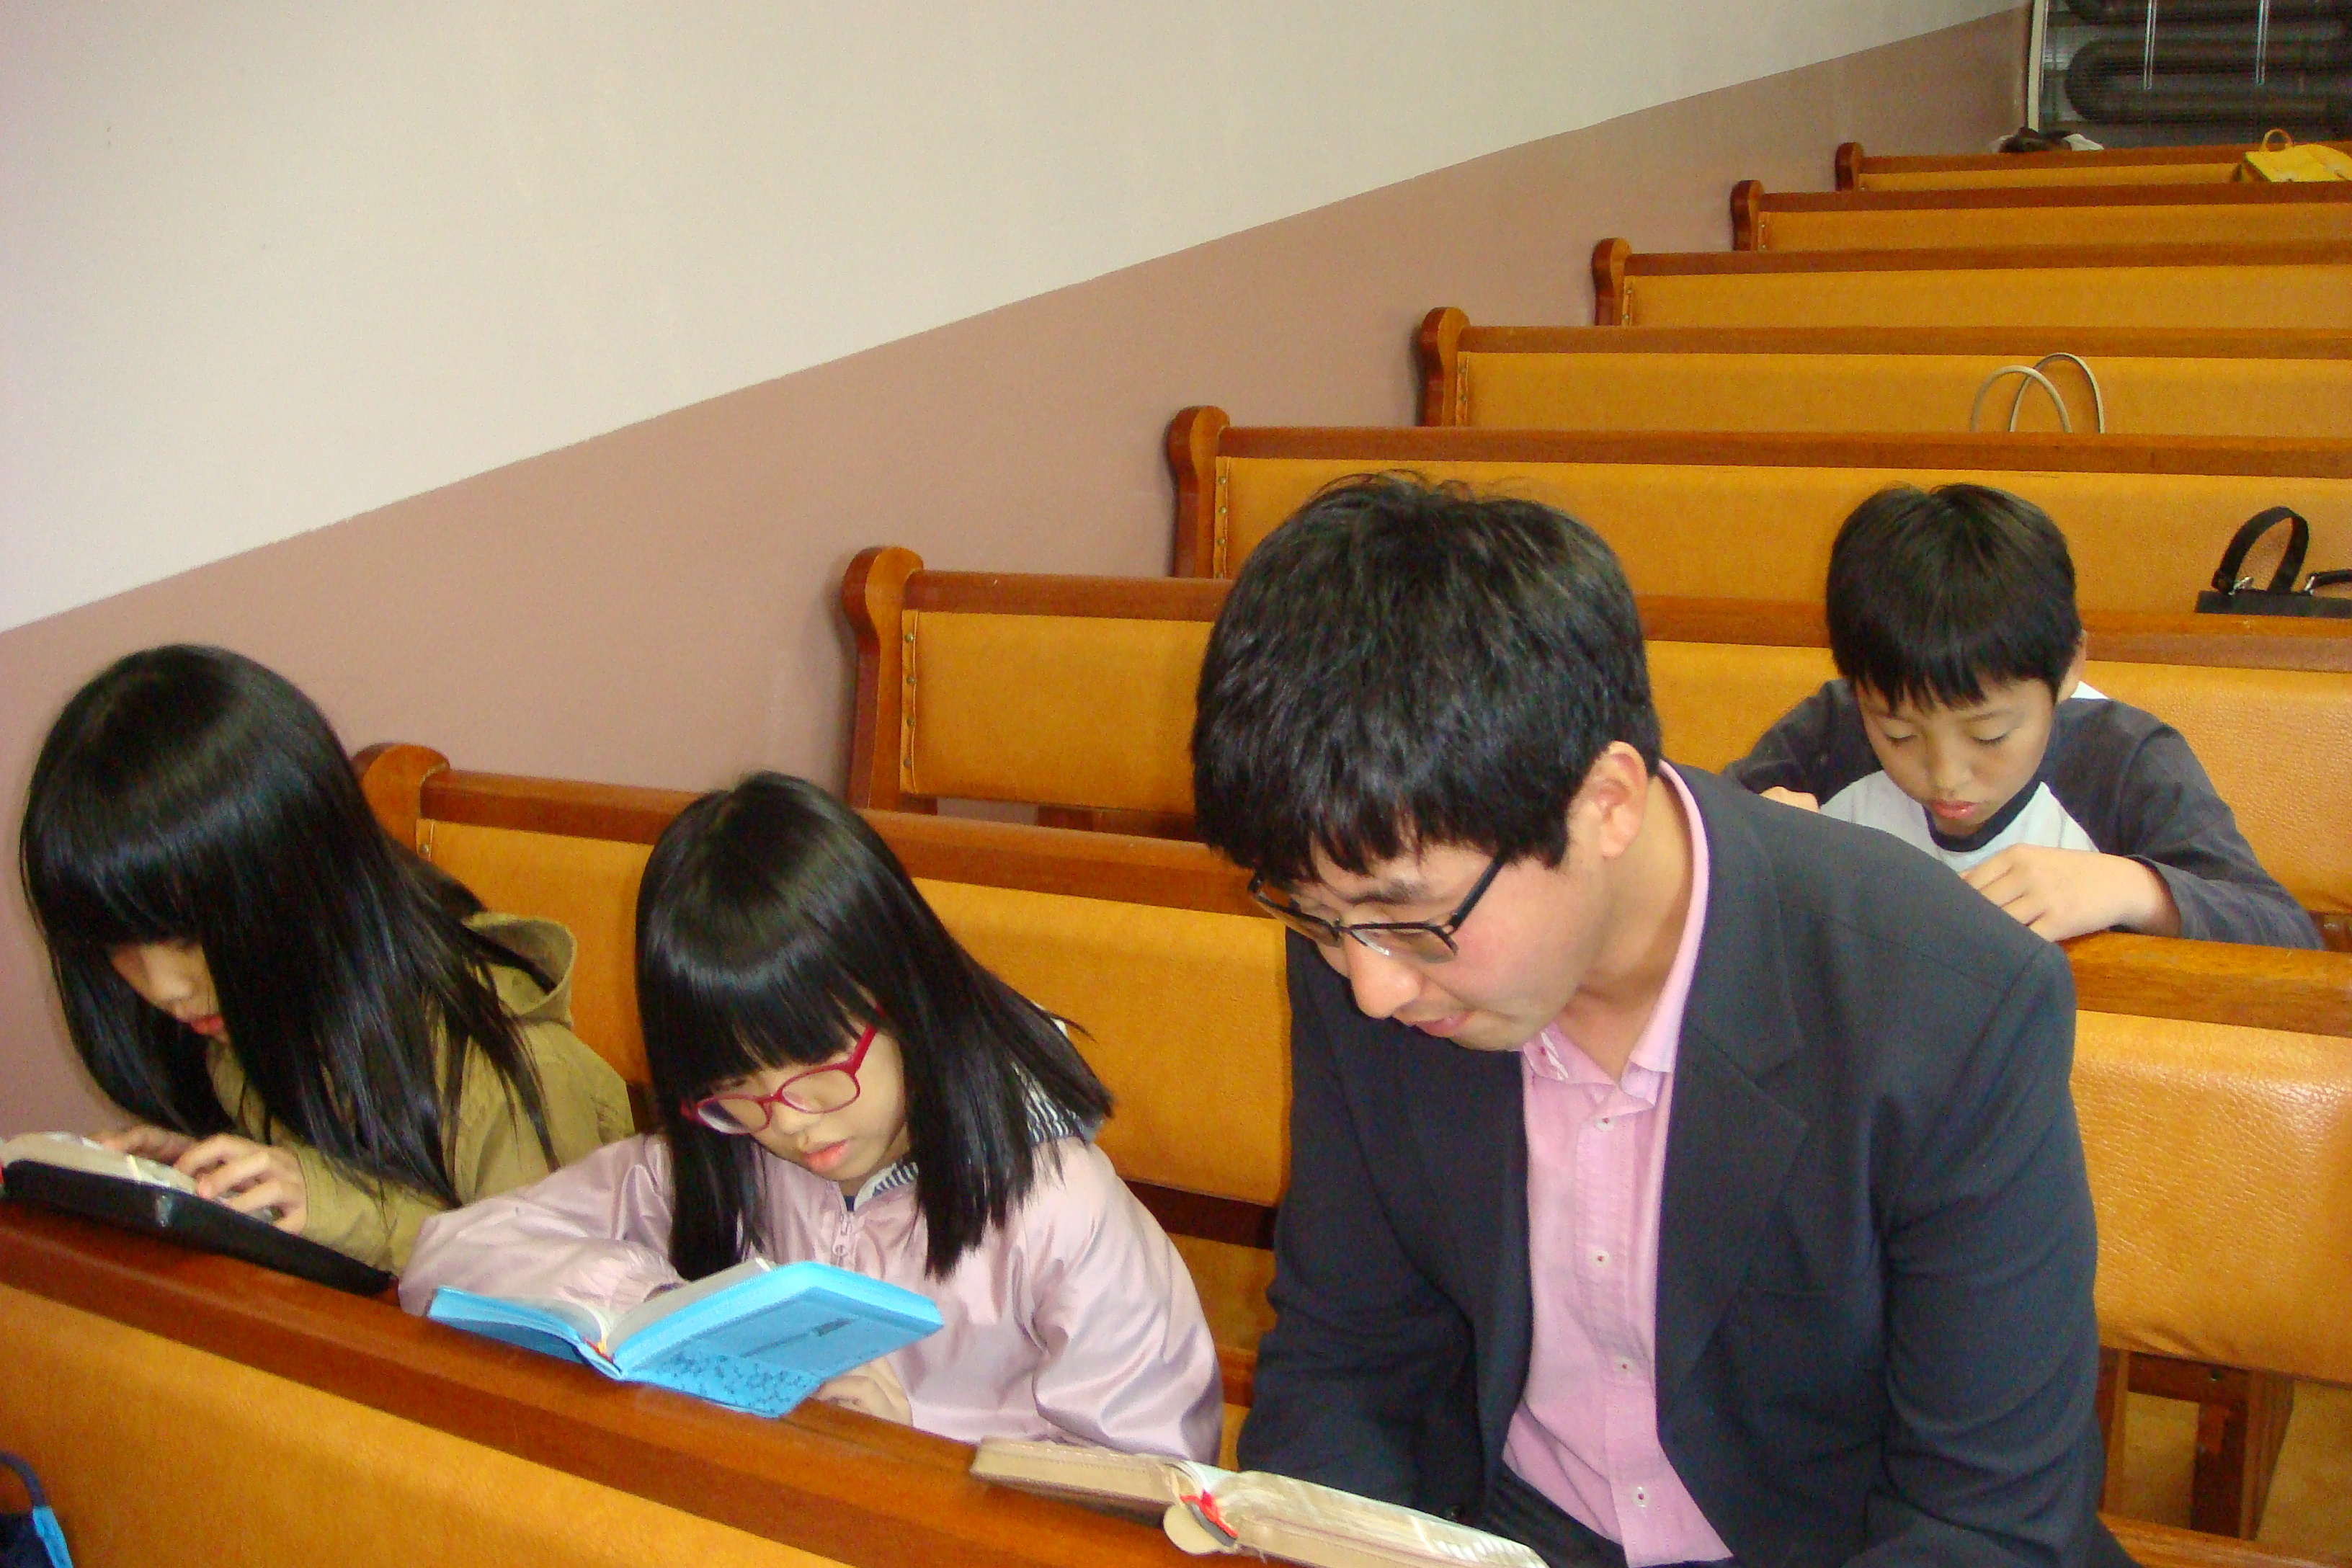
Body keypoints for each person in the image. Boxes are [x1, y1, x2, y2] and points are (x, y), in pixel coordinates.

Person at [1191, 477, 2126, 1568]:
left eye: (1409, 919)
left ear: (1607, 804)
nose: (1370, 988)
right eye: (1316, 918)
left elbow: (1983, 1523)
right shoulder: (1368, 937)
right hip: (1508, 1530)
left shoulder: (1951, 1005)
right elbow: (1346, 1361)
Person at [400, 772, 1223, 1456]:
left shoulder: (1057, 1207)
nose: (790, 1122)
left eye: (821, 1069)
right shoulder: (724, 1157)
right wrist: (666, 1311)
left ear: (907, 997)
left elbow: (1154, 1483)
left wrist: (924, 1446)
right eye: (739, 1088)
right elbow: (452, 1255)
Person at [19, 645, 633, 1271]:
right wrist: (206, 1183)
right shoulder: (245, 1030)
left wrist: (340, 1210)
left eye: (188, 936)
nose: (165, 988)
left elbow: (550, 1294)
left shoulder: (503, 1077)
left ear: (304, 878)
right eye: (119, 946)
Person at [1730, 483, 2316, 949]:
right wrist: (1743, 843)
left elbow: (2288, 936)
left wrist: (2137, 888)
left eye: (1989, 735)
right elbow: (1689, 844)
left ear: (2069, 668)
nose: (1947, 776)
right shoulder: (1833, 731)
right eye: (1899, 734)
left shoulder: (2123, 761)